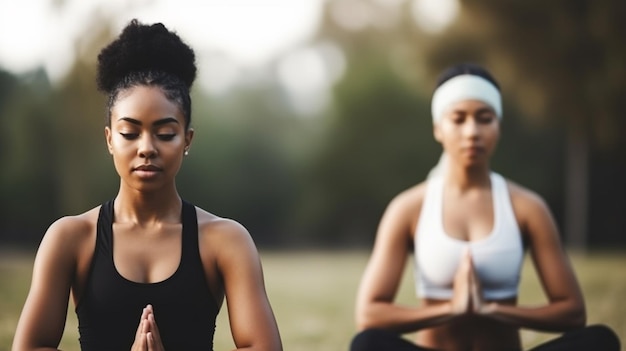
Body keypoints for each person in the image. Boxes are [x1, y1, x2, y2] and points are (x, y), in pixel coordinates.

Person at [12, 19, 282, 351]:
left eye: (165, 133)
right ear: (110, 139)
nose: (146, 147)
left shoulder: (226, 241)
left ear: (187, 139)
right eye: (130, 132)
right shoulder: (70, 239)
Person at [349, 63, 620, 351]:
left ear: (498, 127)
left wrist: (492, 309)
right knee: (368, 344)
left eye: (484, 118)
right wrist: (450, 309)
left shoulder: (526, 207)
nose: (472, 132)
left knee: (600, 341)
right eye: (458, 118)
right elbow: (369, 315)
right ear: (438, 129)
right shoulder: (409, 208)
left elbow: (573, 312)